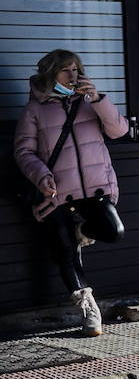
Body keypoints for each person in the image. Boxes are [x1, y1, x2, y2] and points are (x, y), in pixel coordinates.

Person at [13, 49, 130, 336]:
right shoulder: (35, 110)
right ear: (50, 73)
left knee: (114, 231)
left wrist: (99, 99)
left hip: (94, 189)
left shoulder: (90, 103)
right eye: (66, 70)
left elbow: (118, 130)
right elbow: (23, 151)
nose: (73, 75)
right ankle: (89, 311)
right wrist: (40, 175)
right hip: (57, 194)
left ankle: (82, 231)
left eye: (76, 69)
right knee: (67, 254)